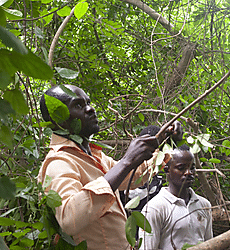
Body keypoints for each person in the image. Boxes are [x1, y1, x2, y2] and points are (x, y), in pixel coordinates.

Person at [37, 84, 183, 250]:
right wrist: (127, 161)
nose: (90, 109)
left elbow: (135, 176)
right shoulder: (59, 162)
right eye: (78, 105)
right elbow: (69, 219)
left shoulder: (94, 156)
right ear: (57, 120)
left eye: (88, 103)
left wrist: (167, 142)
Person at [138, 144, 213, 250]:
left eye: (192, 168)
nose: (188, 173)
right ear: (167, 170)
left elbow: (210, 244)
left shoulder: (204, 205)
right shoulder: (154, 208)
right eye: (181, 168)